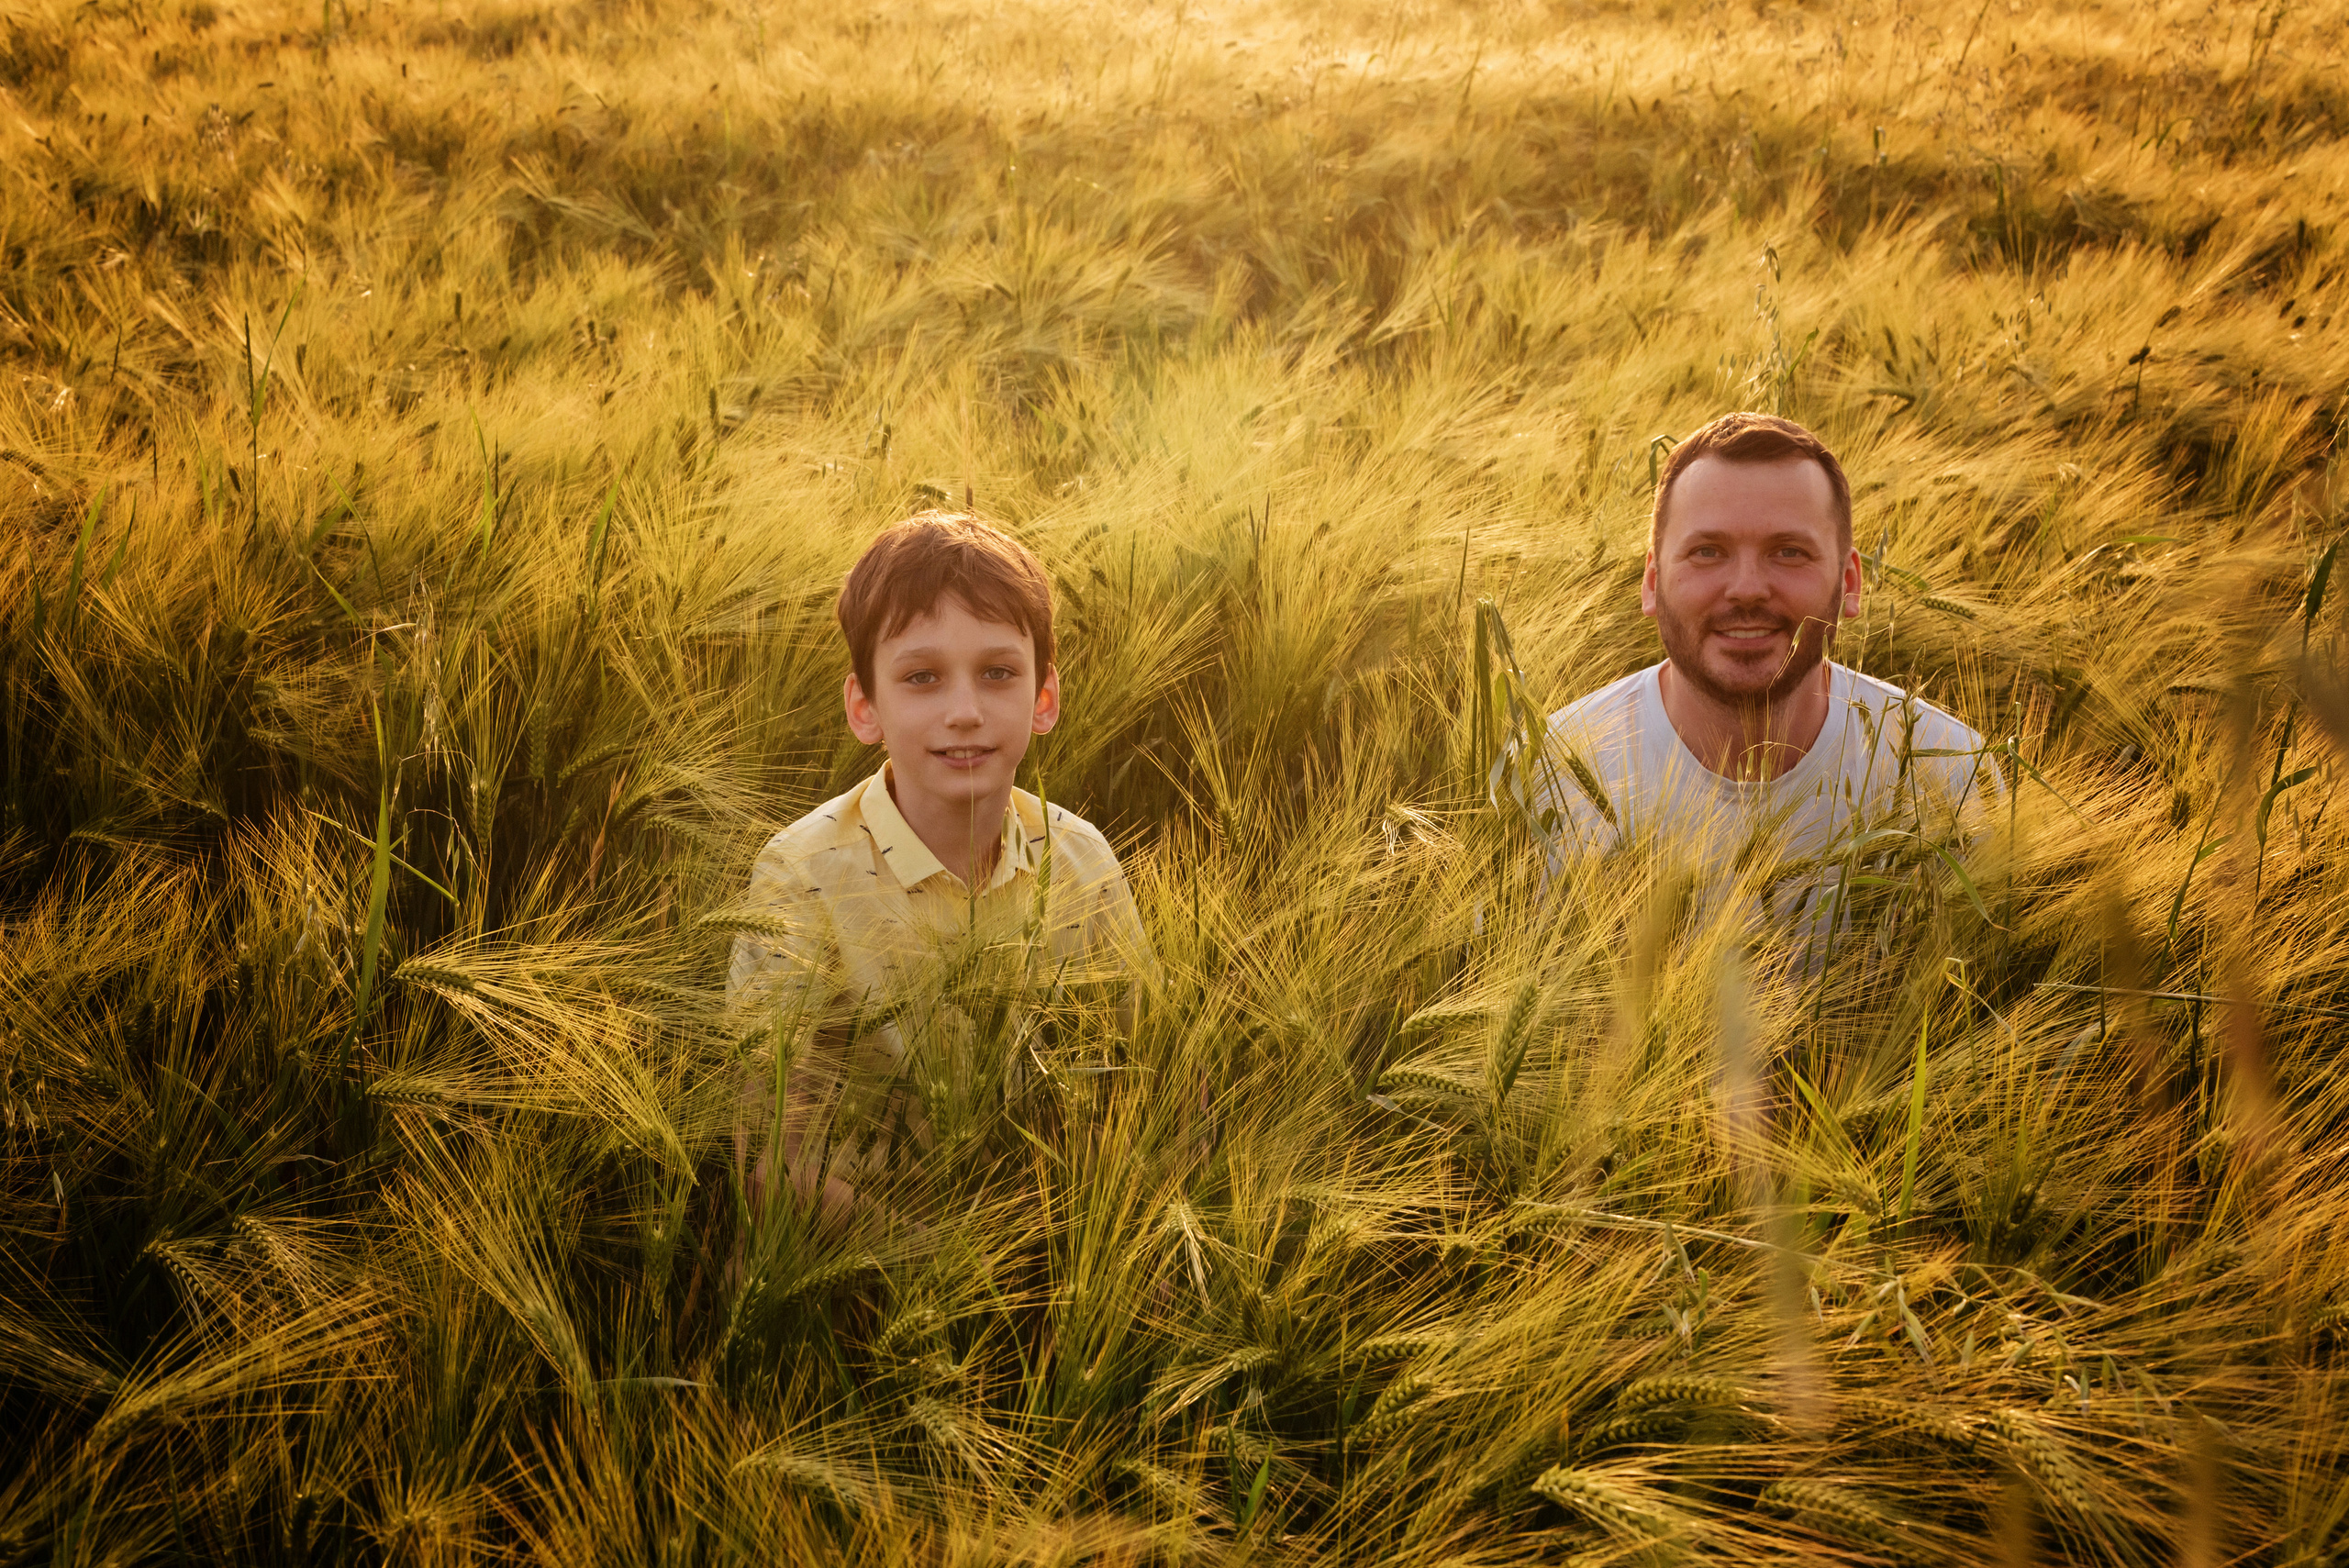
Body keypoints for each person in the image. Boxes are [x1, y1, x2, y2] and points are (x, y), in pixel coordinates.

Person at [724, 512, 1154, 1223]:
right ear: (865, 707)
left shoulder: (1082, 861)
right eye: (922, 677)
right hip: (856, 1284)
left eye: (997, 673)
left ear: (1043, 699)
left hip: (1059, 1263)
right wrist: (965, 1275)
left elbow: (1153, 1080)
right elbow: (770, 1158)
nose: (964, 711)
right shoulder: (802, 874)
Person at [1537, 413, 2000, 940]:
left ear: (1849, 583)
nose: (1748, 588)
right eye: (1707, 552)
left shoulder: (1955, 779)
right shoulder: (1551, 776)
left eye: (1789, 552)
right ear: (1652, 580)